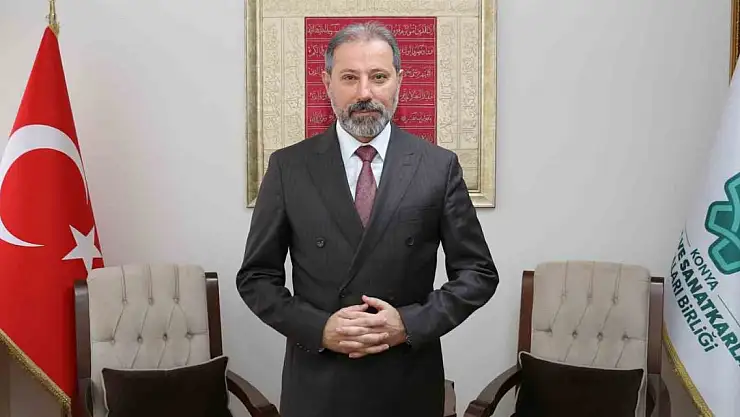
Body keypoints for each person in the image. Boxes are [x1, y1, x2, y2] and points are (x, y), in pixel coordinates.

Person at [236, 21, 499, 417]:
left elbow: (478, 273)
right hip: (318, 386)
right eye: (349, 77)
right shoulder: (289, 167)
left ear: (399, 82)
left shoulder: (437, 167)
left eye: (378, 77)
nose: (364, 93)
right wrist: (319, 328)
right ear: (327, 83)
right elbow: (256, 277)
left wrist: (408, 323)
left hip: (407, 383)